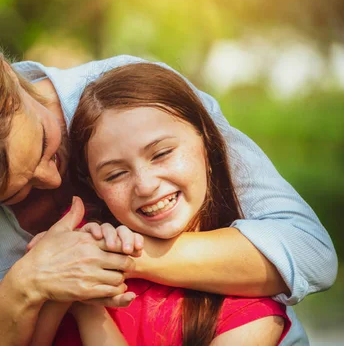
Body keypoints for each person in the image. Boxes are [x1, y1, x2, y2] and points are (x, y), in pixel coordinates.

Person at [0, 53, 336, 345]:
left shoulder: (130, 99)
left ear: (10, 75)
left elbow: (309, 251)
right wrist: (24, 286)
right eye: (15, 191)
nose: (50, 181)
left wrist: (109, 256)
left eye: (47, 145)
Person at [28, 62, 294, 345]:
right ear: (95, 186)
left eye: (161, 154)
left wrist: (90, 311)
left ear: (206, 142)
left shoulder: (253, 307)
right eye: (116, 174)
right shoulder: (75, 249)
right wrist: (57, 276)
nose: (146, 185)